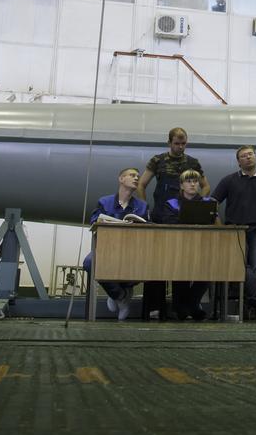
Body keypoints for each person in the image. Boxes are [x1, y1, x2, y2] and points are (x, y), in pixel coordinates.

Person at [137, 127, 205, 318]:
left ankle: (181, 308)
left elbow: (205, 186)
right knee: (157, 262)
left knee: (181, 262)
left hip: (184, 219)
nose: (180, 147)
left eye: (183, 143)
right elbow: (141, 185)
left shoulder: (192, 162)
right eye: (177, 143)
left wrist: (196, 205)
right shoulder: (157, 160)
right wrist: (145, 209)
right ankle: (155, 307)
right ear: (169, 143)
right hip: (160, 217)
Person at [212, 145, 256, 320]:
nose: (248, 157)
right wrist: (220, 228)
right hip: (236, 231)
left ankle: (254, 305)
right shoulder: (229, 181)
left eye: (250, 154)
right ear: (238, 162)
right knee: (241, 266)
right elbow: (213, 202)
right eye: (243, 156)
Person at [83, 167, 149, 322]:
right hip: (107, 248)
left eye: (138, 176)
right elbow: (93, 222)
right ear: (121, 179)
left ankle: (120, 291)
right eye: (132, 175)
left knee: (146, 265)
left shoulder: (142, 206)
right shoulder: (104, 202)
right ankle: (120, 296)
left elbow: (148, 229)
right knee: (90, 262)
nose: (136, 178)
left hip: (132, 250)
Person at [156, 170, 217, 321]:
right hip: (178, 247)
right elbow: (168, 224)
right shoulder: (171, 204)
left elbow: (213, 225)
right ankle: (186, 307)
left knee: (207, 271)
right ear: (181, 185)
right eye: (188, 181)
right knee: (180, 272)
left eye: (195, 181)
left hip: (202, 247)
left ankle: (190, 304)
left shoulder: (208, 202)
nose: (193, 184)